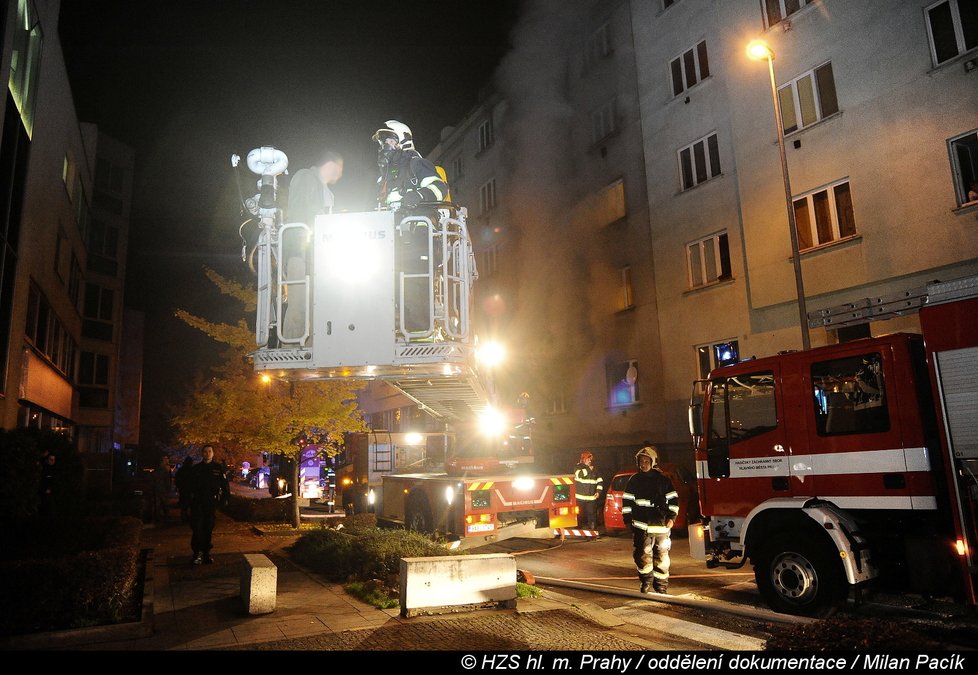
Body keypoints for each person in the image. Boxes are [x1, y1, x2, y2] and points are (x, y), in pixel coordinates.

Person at [372, 120, 450, 335]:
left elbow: (439, 188)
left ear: (402, 140)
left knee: (416, 289)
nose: (383, 147)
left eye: (387, 140)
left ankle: (419, 339)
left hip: (418, 240)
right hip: (393, 242)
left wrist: (417, 196)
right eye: (381, 143)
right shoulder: (385, 176)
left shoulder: (417, 164)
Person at [281, 149, 344, 342]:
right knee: (299, 305)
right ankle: (292, 353)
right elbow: (300, 213)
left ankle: (311, 351)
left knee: (316, 308)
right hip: (302, 253)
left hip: (318, 256)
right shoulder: (306, 177)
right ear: (332, 165)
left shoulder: (325, 190)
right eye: (340, 168)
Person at [622, 445, 680, 594]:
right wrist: (628, 520)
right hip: (642, 527)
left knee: (662, 557)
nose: (644, 464)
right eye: (641, 461)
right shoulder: (634, 480)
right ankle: (646, 581)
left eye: (647, 461)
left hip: (661, 527)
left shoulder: (663, 480)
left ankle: (661, 586)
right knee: (642, 556)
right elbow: (627, 501)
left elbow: (674, 500)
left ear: (653, 462)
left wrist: (672, 518)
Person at [188, 445, 230, 565]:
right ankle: (197, 554)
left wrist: (225, 499)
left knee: (208, 529)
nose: (207, 453)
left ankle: (206, 554)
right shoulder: (196, 469)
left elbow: (225, 485)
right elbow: (190, 487)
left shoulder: (218, 468)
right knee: (197, 529)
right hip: (198, 503)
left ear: (213, 453)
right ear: (202, 453)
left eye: (210, 451)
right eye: (205, 452)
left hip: (211, 504)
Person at [573, 450, 604, 536]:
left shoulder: (595, 470)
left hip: (591, 498)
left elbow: (600, 481)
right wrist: (588, 470)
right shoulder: (578, 468)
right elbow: (579, 475)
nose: (590, 460)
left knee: (592, 516)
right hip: (580, 498)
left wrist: (598, 492)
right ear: (583, 459)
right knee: (579, 515)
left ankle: (592, 533)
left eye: (591, 459)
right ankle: (578, 531)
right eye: (588, 459)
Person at [174, 456, 195, 523]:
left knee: (184, 505)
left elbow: (177, 480)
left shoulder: (181, 470)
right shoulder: (192, 470)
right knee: (191, 505)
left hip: (183, 490)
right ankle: (189, 517)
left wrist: (179, 487)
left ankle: (184, 517)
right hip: (190, 490)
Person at [154, 455, 173, 522]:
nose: (167, 460)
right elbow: (164, 479)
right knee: (163, 503)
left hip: (161, 488)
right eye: (166, 459)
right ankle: (162, 516)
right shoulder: (162, 468)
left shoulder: (164, 468)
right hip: (161, 488)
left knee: (162, 503)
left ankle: (161, 516)